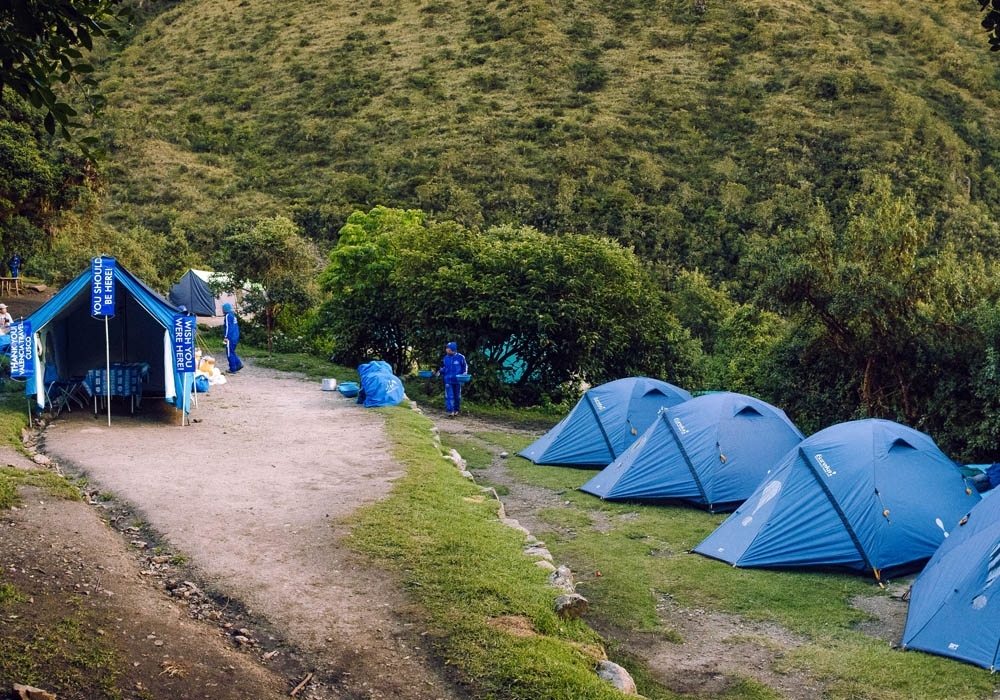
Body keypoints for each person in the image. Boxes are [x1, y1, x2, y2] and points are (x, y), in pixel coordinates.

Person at [434, 341, 467, 417]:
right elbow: (445, 368)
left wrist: (464, 372)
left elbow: (464, 367)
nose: (446, 350)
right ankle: (450, 411)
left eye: (448, 348)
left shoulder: (460, 357)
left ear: (453, 349)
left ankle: (456, 410)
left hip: (457, 380)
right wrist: (439, 372)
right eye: (446, 348)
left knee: (457, 396)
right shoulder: (446, 358)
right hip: (448, 380)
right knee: (449, 396)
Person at [222, 302, 243, 374]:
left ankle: (232, 368)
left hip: (230, 337)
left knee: (229, 353)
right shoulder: (232, 315)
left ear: (225, 309)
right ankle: (239, 364)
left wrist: (226, 337)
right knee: (232, 351)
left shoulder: (227, 316)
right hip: (235, 336)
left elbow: (228, 327)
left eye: (222, 309)